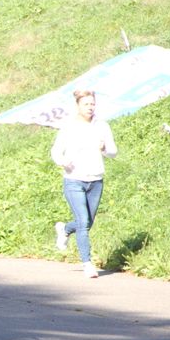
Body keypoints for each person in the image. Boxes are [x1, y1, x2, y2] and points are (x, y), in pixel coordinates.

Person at [51, 90, 116, 279]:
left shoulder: (102, 126)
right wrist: (63, 162)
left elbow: (113, 151)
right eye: (86, 104)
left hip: (95, 179)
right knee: (83, 221)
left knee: (87, 222)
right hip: (74, 179)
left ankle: (64, 229)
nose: (90, 107)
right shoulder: (69, 127)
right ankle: (87, 263)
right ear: (78, 106)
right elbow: (56, 152)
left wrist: (105, 149)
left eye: (92, 104)